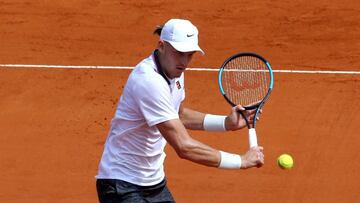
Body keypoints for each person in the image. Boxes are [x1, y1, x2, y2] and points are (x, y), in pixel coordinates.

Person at [96, 18, 265, 203]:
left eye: (189, 54)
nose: (184, 62)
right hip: (121, 184)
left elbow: (178, 114)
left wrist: (226, 123)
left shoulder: (174, 71)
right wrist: (241, 161)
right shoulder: (148, 81)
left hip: (154, 182)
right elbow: (184, 147)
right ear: (161, 45)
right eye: (179, 53)